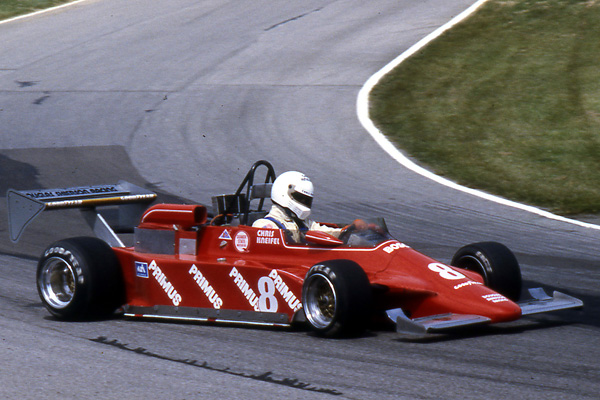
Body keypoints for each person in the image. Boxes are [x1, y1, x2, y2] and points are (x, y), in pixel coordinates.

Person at [253, 171, 357, 243]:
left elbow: (323, 232)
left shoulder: (302, 222)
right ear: (283, 194)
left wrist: (345, 231)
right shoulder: (264, 226)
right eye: (301, 199)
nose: (304, 203)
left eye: (306, 200)